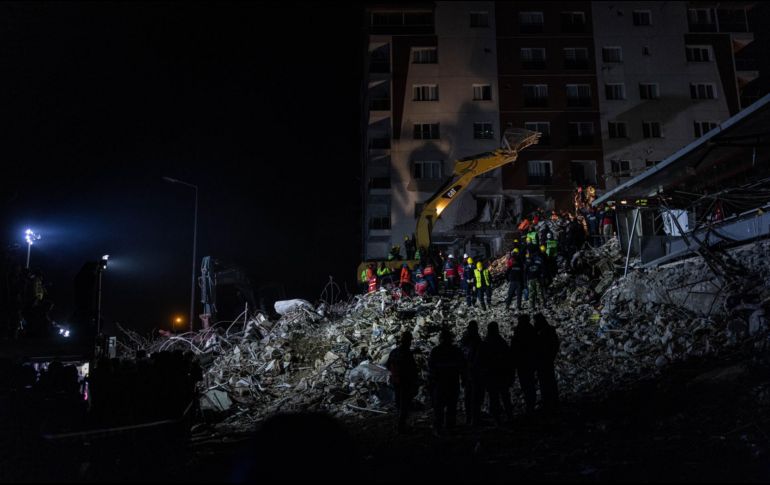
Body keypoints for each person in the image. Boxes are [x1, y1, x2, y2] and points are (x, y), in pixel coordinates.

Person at [428, 328, 465, 436]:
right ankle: (449, 427)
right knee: (451, 406)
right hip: (452, 383)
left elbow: (431, 369)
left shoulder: (436, 351)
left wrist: (431, 383)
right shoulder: (456, 351)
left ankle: (439, 428)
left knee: (439, 407)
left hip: (440, 383)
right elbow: (462, 366)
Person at [480, 321, 514, 426]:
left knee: (494, 398)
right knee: (505, 396)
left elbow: (481, 361)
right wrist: (510, 375)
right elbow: (509, 359)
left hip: (492, 376)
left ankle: (497, 419)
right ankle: (509, 416)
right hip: (501, 374)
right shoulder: (501, 342)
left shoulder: (485, 343)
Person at [386, 332, 419, 433]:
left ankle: (399, 424)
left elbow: (388, 365)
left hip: (396, 381)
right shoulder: (407, 353)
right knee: (404, 403)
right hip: (406, 381)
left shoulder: (394, 351)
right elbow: (413, 369)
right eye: (410, 340)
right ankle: (401, 426)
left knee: (399, 402)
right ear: (408, 341)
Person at [511, 314, 537, 415]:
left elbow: (514, 350)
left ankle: (530, 406)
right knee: (530, 384)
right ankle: (531, 406)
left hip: (522, 363)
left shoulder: (519, 332)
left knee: (526, 385)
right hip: (530, 362)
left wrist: (513, 365)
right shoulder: (532, 331)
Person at [533, 313, 560, 411]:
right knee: (550, 381)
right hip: (547, 360)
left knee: (545, 382)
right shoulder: (549, 330)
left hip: (543, 361)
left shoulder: (543, 332)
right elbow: (556, 345)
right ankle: (553, 401)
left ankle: (548, 402)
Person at [459, 320, 483, 426]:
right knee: (475, 396)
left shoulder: (465, 341)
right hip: (475, 373)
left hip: (468, 373)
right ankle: (474, 418)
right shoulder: (477, 341)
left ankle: (470, 418)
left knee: (469, 396)